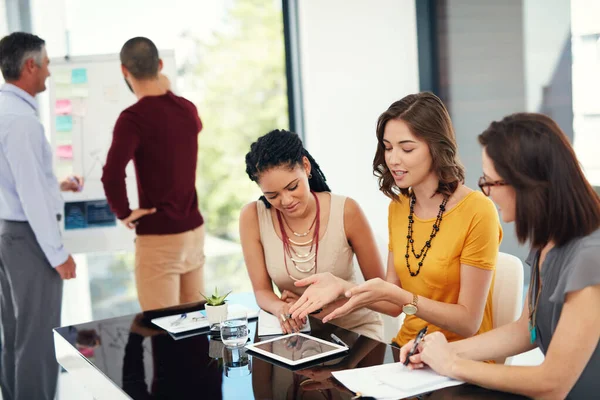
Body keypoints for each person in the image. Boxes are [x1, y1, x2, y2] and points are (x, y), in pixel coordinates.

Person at [400, 113, 600, 399]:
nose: (487, 192)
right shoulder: (548, 239)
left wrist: (454, 364)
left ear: (527, 184)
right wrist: (438, 351)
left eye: (492, 182)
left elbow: (552, 384)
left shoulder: (591, 256)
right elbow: (526, 330)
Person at [290, 92, 502, 347]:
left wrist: (401, 297)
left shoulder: (478, 211)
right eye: (388, 147)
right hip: (406, 350)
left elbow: (469, 322)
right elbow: (392, 305)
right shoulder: (399, 207)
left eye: (407, 148)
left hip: (461, 358)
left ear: (437, 147)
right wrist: (341, 286)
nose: (392, 159)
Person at [240, 129, 385, 340]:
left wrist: (331, 302)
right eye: (272, 195)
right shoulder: (253, 216)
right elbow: (262, 292)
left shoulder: (347, 210)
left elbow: (384, 297)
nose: (286, 201)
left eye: (292, 187)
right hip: (301, 335)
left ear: (306, 167)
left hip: (356, 334)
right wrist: (283, 309)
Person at [0, 32, 82, 400]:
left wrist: (57, 185)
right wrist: (58, 255)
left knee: (14, 336)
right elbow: (31, 196)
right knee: (37, 341)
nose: (49, 71)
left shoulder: (5, 112)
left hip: (7, 234)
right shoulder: (22, 121)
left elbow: (14, 181)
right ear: (30, 65)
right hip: (27, 241)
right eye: (46, 63)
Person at [102, 37, 205, 311]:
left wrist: (123, 212)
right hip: (194, 231)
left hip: (159, 236)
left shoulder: (132, 119)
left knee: (162, 333)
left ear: (124, 71)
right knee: (195, 326)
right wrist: (167, 90)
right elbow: (194, 126)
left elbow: (111, 174)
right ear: (159, 65)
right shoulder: (187, 108)